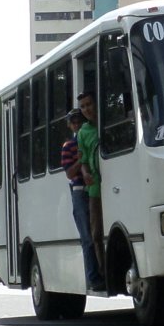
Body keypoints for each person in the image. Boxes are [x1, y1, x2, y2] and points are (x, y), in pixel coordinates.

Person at [61, 108, 106, 291]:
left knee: (99, 233)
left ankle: (103, 272)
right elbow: (70, 173)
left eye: (80, 121)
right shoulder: (68, 146)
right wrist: (81, 160)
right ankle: (93, 278)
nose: (77, 125)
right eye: (73, 122)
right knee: (87, 237)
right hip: (80, 191)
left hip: (95, 188)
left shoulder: (92, 135)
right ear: (70, 126)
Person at [77, 91, 105, 284]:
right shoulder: (83, 132)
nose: (87, 109)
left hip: (116, 184)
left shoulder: (107, 122)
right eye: (83, 106)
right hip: (95, 190)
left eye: (89, 104)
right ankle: (103, 273)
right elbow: (83, 159)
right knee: (96, 233)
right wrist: (85, 173)